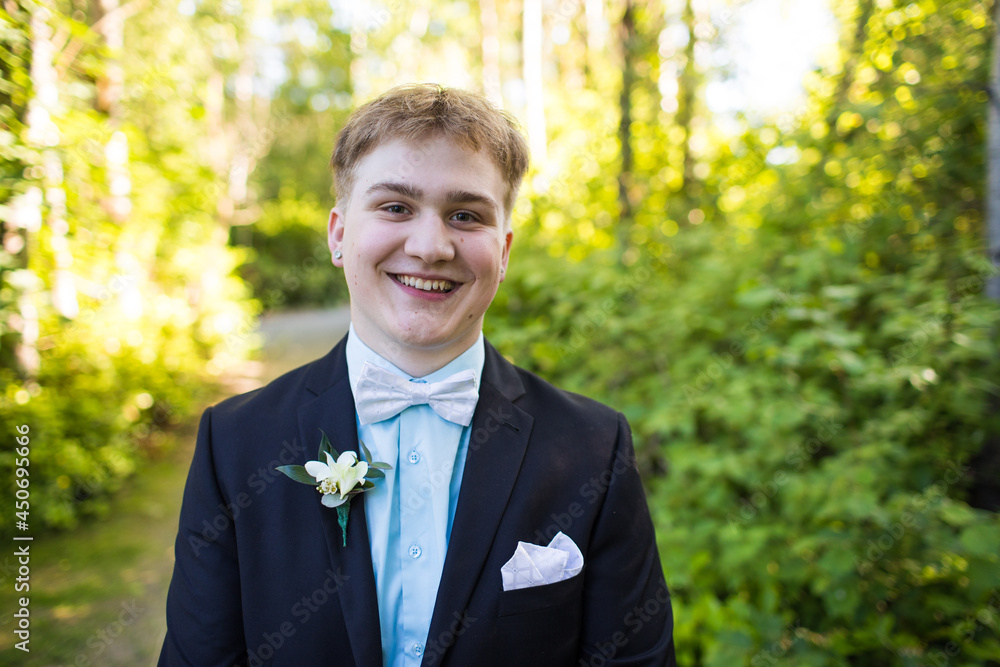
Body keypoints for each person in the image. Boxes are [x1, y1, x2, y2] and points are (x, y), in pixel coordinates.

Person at [158, 84, 675, 667]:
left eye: (465, 215)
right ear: (339, 234)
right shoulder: (233, 443)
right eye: (395, 207)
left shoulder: (592, 448)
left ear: (504, 251)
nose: (431, 247)